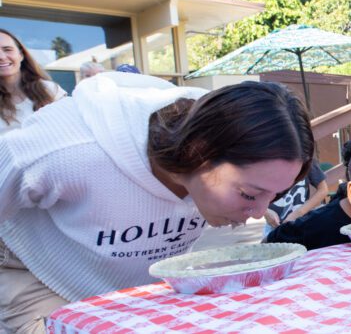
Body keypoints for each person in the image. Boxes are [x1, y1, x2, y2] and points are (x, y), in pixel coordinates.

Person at [0, 75, 315, 333]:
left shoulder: (218, 145)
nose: (258, 214)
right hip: (39, 274)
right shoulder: (67, 152)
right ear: (198, 151)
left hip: (132, 288)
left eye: (273, 196)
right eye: (249, 195)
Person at [0, 29, 67, 136]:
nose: (2, 57)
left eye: (7, 49)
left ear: (21, 55)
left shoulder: (49, 90)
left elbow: (69, 129)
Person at [262, 155, 329, 236]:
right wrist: (265, 211)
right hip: (272, 226)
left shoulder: (305, 156)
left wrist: (298, 212)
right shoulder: (263, 156)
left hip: (300, 223)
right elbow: (247, 191)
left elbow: (323, 190)